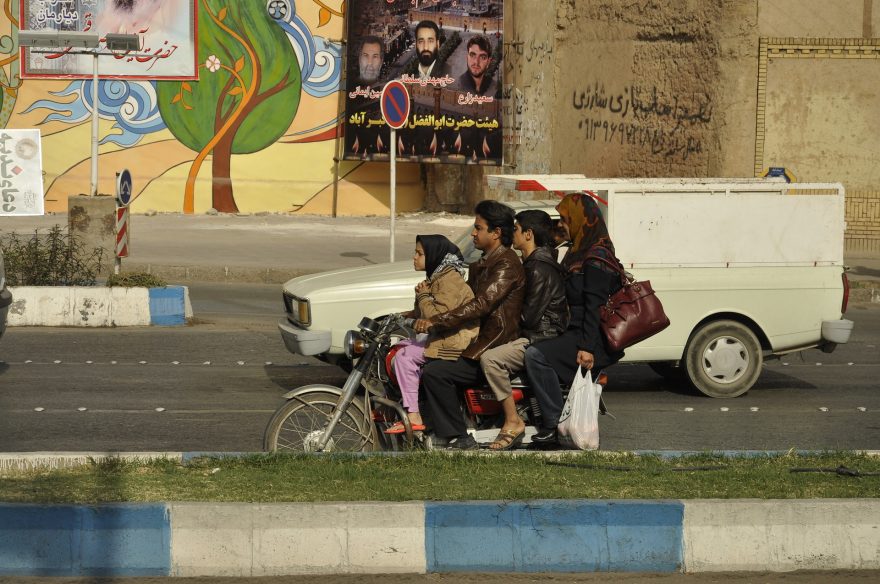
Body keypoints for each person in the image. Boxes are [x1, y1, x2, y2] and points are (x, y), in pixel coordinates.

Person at [415, 200, 526, 450]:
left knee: (436, 372)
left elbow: (480, 305)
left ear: (496, 233)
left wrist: (436, 321)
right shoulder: (486, 261)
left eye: (478, 228)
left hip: (492, 341)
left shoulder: (506, 264)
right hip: (476, 339)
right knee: (431, 361)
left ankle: (458, 436)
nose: (474, 233)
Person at [523, 193, 625, 448]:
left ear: (581, 220)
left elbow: (594, 306)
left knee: (535, 356)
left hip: (591, 337)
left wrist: (587, 347)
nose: (562, 226)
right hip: (574, 331)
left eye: (566, 220)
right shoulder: (577, 252)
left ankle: (554, 423)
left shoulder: (596, 257)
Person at [479, 210, 568, 451]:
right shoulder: (534, 263)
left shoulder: (538, 268)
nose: (512, 234)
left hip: (540, 336)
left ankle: (512, 421)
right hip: (535, 333)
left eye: (516, 229)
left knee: (490, 359)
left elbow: (529, 316)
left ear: (528, 234)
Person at [385, 235, 478, 435]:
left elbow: (436, 317)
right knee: (398, 347)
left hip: (454, 341)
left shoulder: (449, 279)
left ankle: (414, 414)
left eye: (420, 253)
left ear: (434, 255)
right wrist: (400, 316)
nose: (414, 257)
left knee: (404, 357)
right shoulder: (436, 277)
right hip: (442, 337)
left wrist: (423, 296)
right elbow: (422, 314)